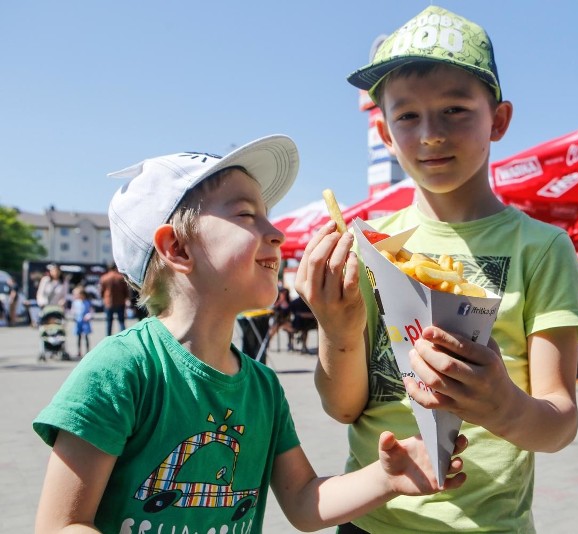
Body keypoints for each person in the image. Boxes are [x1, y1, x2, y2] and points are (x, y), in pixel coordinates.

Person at [32, 135, 466, 533]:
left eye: (269, 216)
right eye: (246, 214)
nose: (275, 233)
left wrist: (386, 476)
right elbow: (61, 523)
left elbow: (302, 500)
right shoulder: (124, 370)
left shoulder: (262, 387)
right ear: (178, 249)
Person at [295, 6, 578, 532]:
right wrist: (335, 329)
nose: (430, 133)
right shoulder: (369, 244)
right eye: (407, 116)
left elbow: (559, 423)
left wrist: (503, 406)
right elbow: (344, 409)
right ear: (386, 133)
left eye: (455, 109)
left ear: (498, 120)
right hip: (370, 520)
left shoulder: (541, 248)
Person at [99, 261, 131, 335]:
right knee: (121, 321)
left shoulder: (104, 278)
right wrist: (127, 298)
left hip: (108, 302)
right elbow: (126, 290)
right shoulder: (121, 278)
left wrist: (103, 298)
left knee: (109, 322)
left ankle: (108, 337)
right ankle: (123, 337)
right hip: (120, 302)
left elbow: (101, 291)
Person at [69, 285, 93, 358]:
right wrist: (73, 314)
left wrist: (88, 315)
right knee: (78, 337)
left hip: (85, 322)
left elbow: (91, 311)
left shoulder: (87, 302)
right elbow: (73, 310)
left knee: (86, 336)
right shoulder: (75, 302)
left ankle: (88, 351)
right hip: (78, 321)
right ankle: (79, 351)